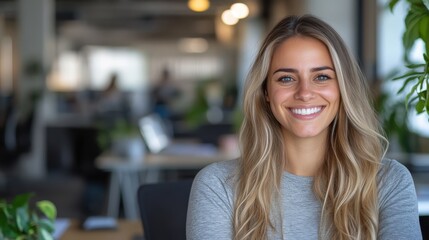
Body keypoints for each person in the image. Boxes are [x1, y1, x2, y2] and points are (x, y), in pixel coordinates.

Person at [186, 15, 422, 240]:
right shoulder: (218, 186)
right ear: (266, 92)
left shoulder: (389, 182)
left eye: (321, 77)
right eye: (286, 78)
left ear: (343, 88)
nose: (305, 93)